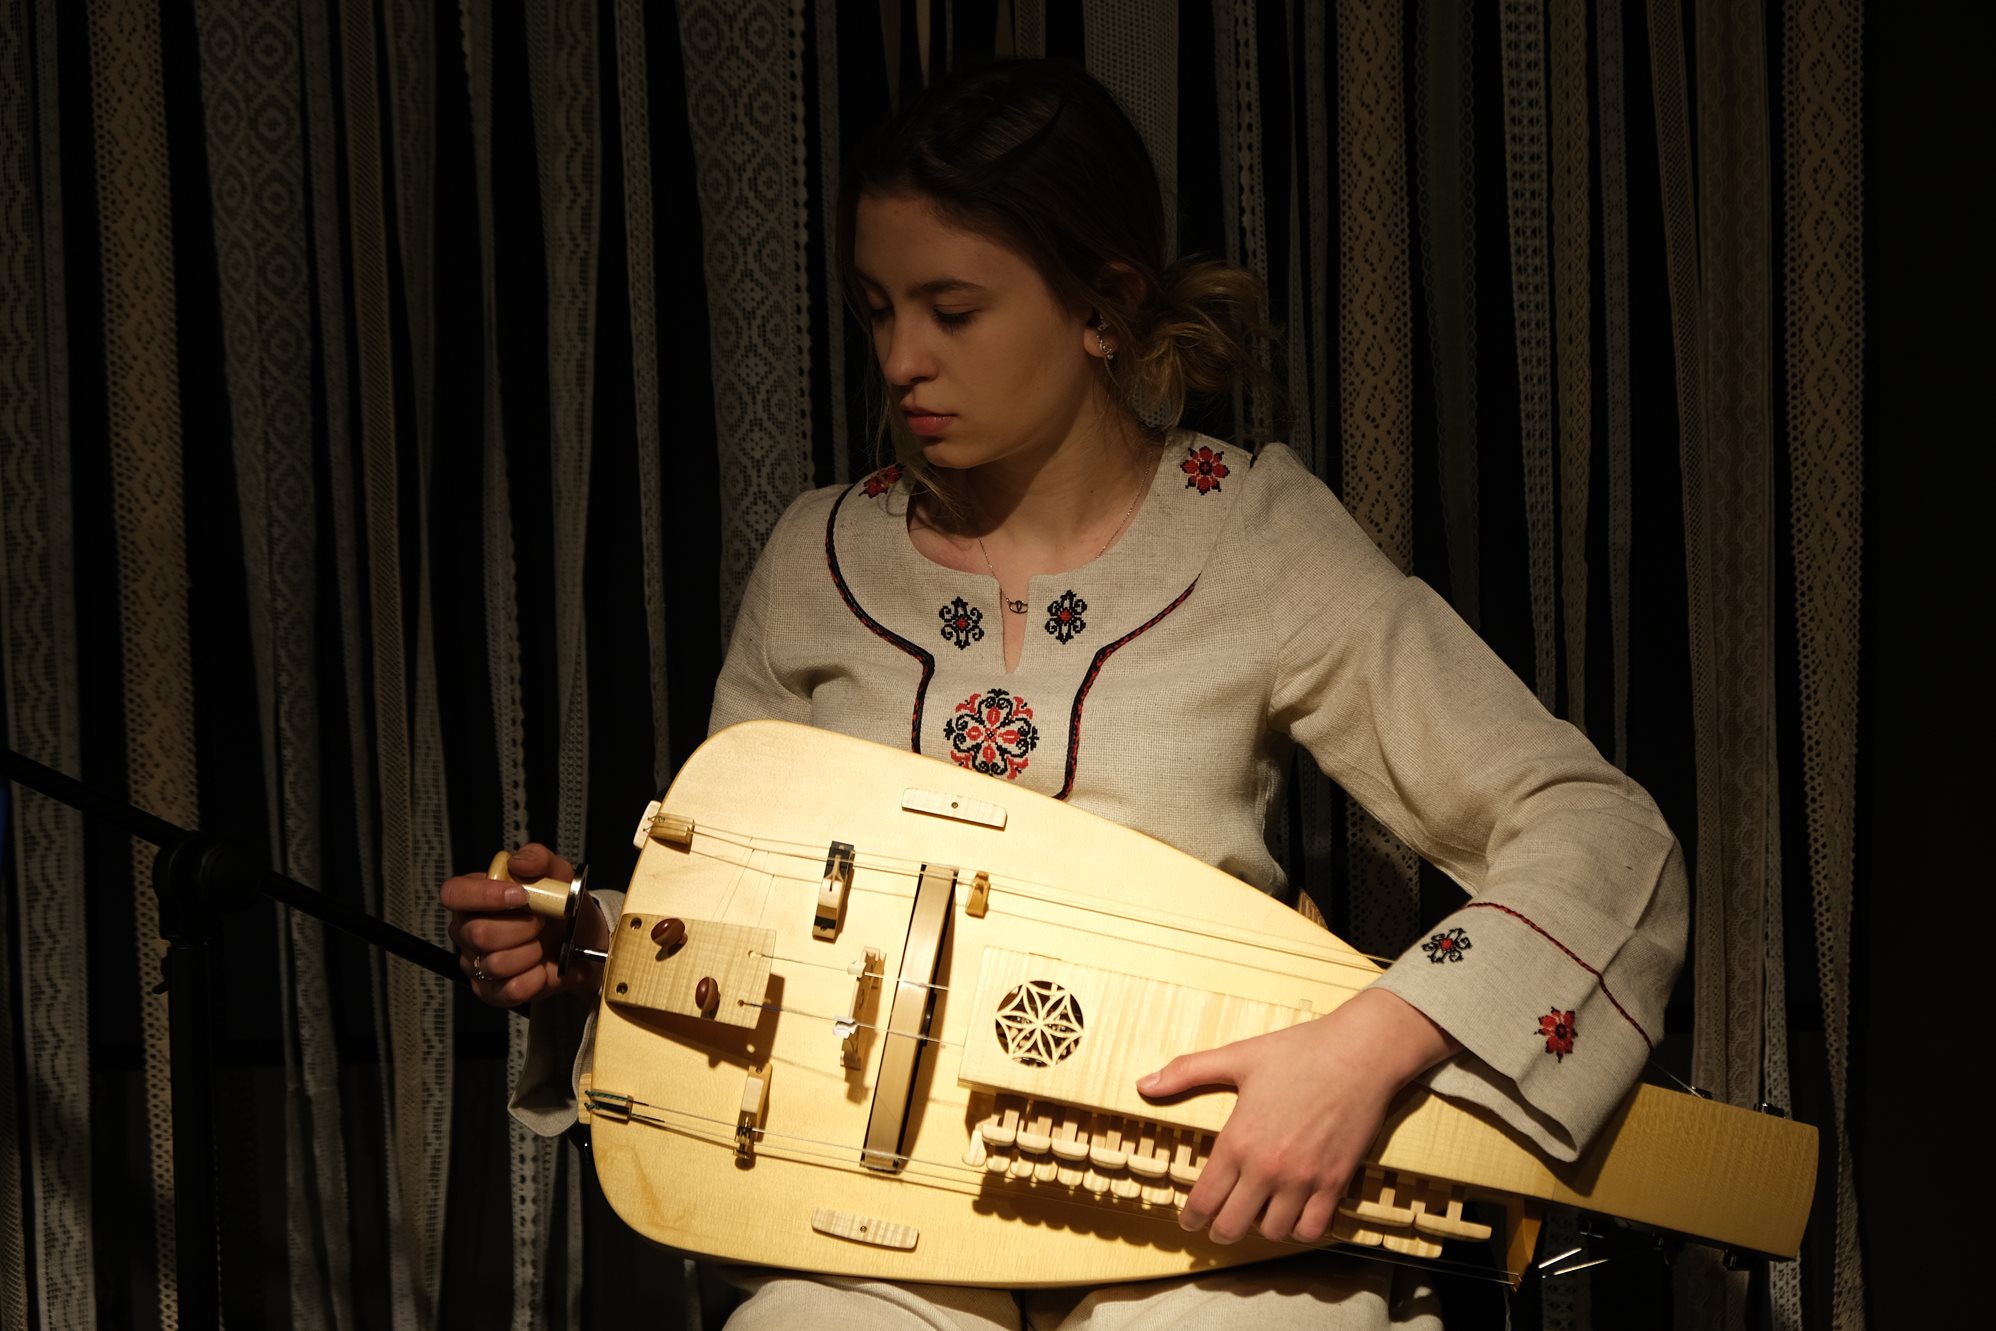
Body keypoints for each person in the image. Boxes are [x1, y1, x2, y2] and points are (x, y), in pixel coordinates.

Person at [441, 60, 1686, 1330]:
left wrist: (1367, 1044)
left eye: (953, 309)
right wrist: (587, 944)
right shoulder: (821, 558)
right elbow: (756, 924)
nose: (902, 359)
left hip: (1204, 1202)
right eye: (877, 309)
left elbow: (1593, 828)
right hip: (873, 1220)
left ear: (1104, 305)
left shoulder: (1250, 536)